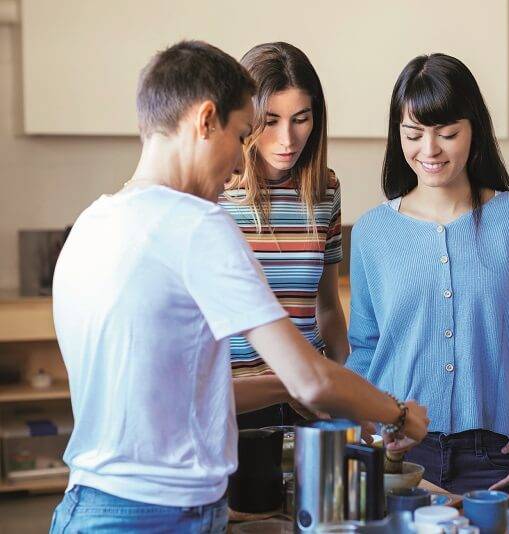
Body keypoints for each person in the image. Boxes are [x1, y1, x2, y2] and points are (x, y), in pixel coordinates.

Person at [49, 41, 428, 533]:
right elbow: (310, 378)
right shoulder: (199, 225)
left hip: (91, 503)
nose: (237, 162)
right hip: (158, 514)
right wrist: (396, 413)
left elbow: (175, 393)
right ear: (206, 120)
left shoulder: (93, 222)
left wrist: (286, 390)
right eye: (242, 132)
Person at [345, 53, 509, 516]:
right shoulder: (373, 232)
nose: (429, 150)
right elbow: (367, 349)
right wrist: (368, 437)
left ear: (474, 131)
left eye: (447, 133)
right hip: (399, 455)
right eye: (413, 135)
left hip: (497, 458)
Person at [219, 42, 348, 426]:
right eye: (270, 120)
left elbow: (327, 308)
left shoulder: (326, 190)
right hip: (232, 402)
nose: (287, 139)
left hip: (307, 404)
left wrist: (352, 386)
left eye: (301, 118)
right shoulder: (214, 192)